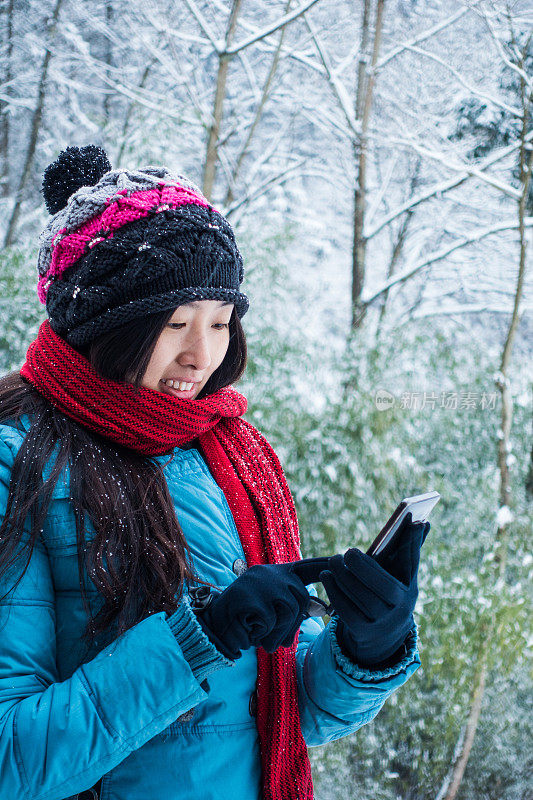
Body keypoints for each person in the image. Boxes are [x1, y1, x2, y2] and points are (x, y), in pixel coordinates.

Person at [0, 145, 429, 800]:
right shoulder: (19, 464)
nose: (202, 354)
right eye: (176, 323)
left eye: (221, 322)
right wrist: (200, 637)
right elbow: (11, 760)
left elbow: (281, 719)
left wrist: (367, 644)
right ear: (102, 323)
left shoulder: (222, 458)